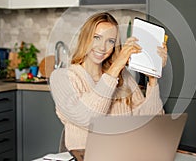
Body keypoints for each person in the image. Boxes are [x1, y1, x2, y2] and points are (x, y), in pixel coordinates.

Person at [50, 12, 168, 151]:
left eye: (110, 41)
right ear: (85, 38)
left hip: (126, 153)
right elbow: (87, 118)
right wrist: (117, 66)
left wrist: (153, 76)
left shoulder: (124, 77)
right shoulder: (62, 77)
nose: (102, 47)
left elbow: (151, 122)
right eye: (96, 38)